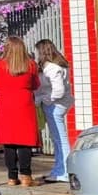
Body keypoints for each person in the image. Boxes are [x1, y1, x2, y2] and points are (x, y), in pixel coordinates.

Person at [0, 36, 42, 188]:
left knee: (9, 142)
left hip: (5, 103)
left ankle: (12, 177)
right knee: (25, 142)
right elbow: (36, 84)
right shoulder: (31, 65)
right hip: (24, 103)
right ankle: (26, 177)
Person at [35, 39, 73, 183]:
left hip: (55, 105)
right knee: (57, 139)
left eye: (39, 51)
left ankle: (63, 172)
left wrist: (44, 99)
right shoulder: (58, 65)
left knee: (59, 139)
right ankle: (59, 169)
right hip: (57, 104)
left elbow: (58, 91)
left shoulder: (52, 68)